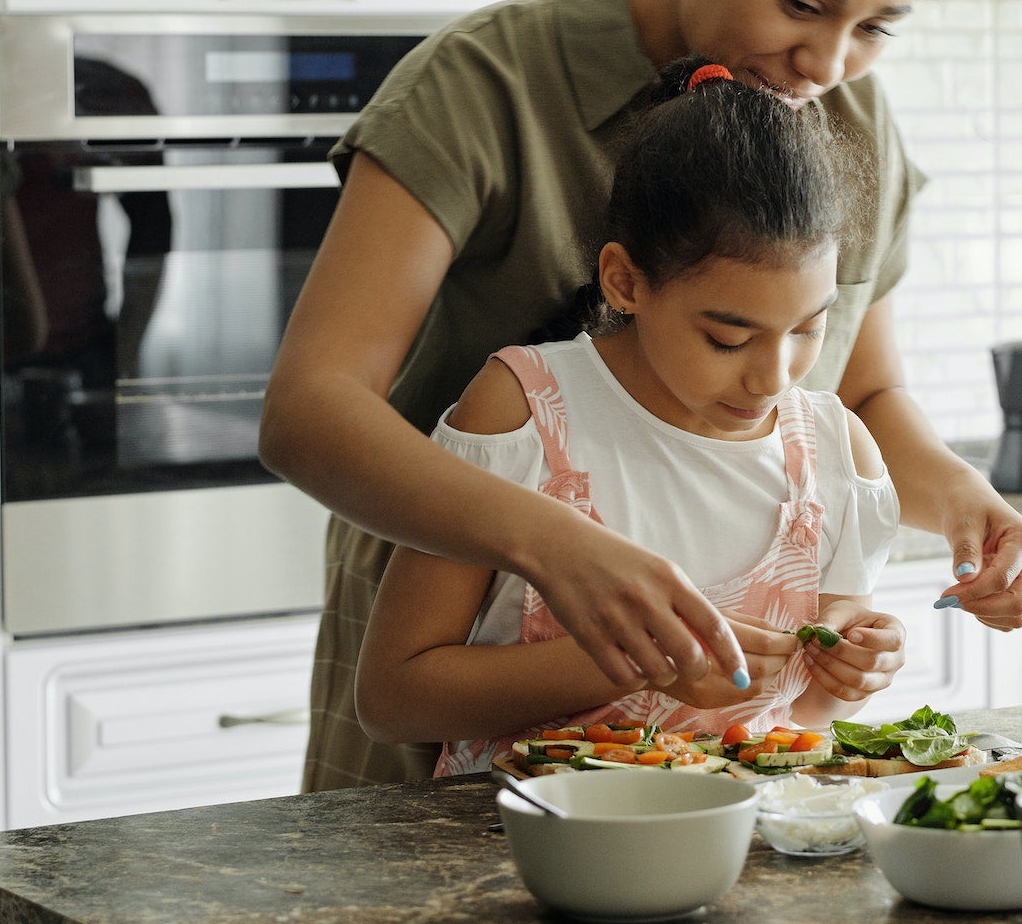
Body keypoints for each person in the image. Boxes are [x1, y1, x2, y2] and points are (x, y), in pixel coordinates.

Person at [260, 0, 1022, 791]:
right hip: (456, 672)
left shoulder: (847, 118)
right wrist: (557, 547)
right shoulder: (485, 84)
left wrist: (961, 502)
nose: (828, 61)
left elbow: (859, 391)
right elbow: (310, 410)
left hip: (714, 750)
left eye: (874, 30)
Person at [354, 61, 906, 765]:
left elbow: (806, 717)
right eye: (728, 338)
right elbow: (393, 699)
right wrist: (646, 661)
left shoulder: (835, 454)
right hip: (520, 852)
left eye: (807, 328)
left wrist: (851, 673)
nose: (774, 376)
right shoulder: (524, 413)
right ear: (625, 281)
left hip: (739, 852)